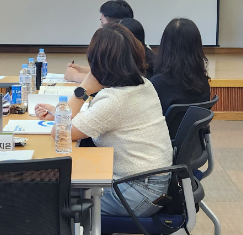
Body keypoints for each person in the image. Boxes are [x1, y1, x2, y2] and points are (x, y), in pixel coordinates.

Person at [38, 24, 173, 217]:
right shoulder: (143, 84)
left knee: (54, 197)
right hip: (152, 183)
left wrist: (82, 90)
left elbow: (60, 133)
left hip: (137, 192)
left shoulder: (115, 101)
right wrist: (60, 113)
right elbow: (96, 116)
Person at [150, 18, 211, 137]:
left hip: (163, 143)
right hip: (193, 144)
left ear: (165, 46)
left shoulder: (157, 84)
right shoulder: (203, 83)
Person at [65, 0, 135, 83]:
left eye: (102, 23)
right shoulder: (132, 42)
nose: (100, 27)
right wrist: (81, 69)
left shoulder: (123, 47)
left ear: (114, 26)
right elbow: (108, 71)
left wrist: (75, 76)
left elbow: (110, 81)